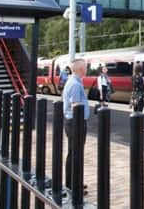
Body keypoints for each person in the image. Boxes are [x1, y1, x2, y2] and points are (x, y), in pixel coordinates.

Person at [62, 59, 90, 192]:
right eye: (85, 67)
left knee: (74, 153)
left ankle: (73, 182)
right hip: (75, 123)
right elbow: (76, 106)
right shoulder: (75, 84)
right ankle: (74, 186)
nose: (87, 69)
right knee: (75, 154)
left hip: (74, 123)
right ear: (80, 69)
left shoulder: (75, 82)